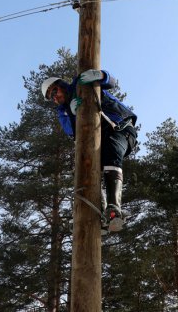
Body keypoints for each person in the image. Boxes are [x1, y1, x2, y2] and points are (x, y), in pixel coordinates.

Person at [41, 69, 137, 232]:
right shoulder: (63, 112)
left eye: (54, 91)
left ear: (61, 85)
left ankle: (114, 207)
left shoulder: (81, 83)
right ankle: (99, 214)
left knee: (111, 152)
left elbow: (111, 82)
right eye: (51, 97)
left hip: (120, 129)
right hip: (97, 140)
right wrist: (73, 113)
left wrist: (101, 76)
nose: (55, 97)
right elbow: (72, 132)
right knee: (86, 168)